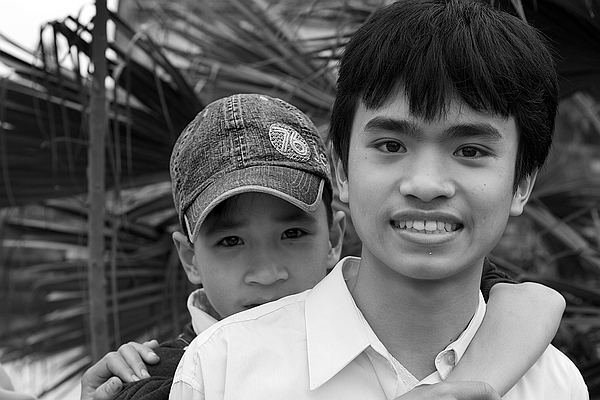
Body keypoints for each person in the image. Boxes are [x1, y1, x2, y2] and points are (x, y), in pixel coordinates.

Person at [168, 1, 589, 399]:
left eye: (470, 151)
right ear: (341, 169)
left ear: (521, 183)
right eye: (390, 145)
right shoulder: (219, 369)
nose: (425, 185)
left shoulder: (555, 385)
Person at [81, 85, 561, 400]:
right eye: (230, 241)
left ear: (334, 234)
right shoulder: (179, 373)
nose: (267, 271)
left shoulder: (445, 313)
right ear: (188, 257)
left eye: (293, 233)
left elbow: (526, 300)